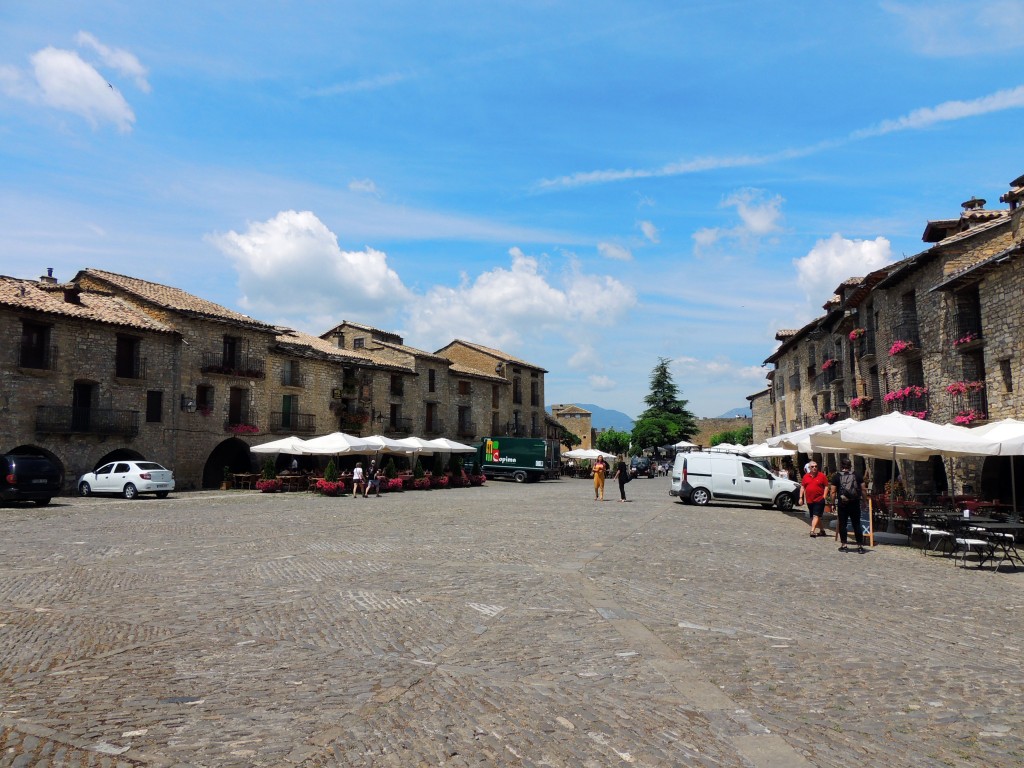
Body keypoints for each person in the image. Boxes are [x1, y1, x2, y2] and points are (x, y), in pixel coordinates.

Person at [829, 458, 867, 553]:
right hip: (855, 503)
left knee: (843, 524)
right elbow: (863, 489)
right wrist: (864, 501)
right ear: (850, 466)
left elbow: (833, 492)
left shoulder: (836, 476)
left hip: (843, 504)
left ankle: (844, 545)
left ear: (841, 466)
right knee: (857, 524)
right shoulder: (857, 475)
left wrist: (833, 503)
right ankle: (860, 546)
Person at [799, 461, 829, 537]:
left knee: (816, 515)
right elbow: (802, 487)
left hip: (819, 499)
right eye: (812, 467)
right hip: (809, 500)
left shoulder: (822, 476)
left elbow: (826, 486)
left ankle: (812, 531)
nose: (814, 468)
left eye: (816, 466)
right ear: (809, 468)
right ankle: (822, 531)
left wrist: (824, 497)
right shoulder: (806, 477)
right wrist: (801, 498)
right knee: (814, 516)